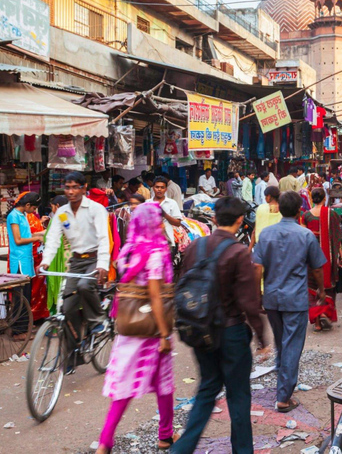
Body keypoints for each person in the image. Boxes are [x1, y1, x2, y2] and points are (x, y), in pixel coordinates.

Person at [172, 197, 270, 454]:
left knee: (207, 389)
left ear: (214, 218)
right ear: (240, 221)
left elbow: (183, 285)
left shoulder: (195, 246)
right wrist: (262, 339)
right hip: (231, 332)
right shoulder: (238, 252)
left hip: (199, 329)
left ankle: (181, 449)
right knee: (238, 396)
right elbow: (250, 302)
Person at [96, 203, 177, 454]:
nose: (162, 225)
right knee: (164, 386)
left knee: (123, 390)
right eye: (159, 220)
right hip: (152, 328)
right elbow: (154, 295)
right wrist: (164, 334)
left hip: (128, 327)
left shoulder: (129, 250)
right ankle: (164, 435)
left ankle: (105, 443)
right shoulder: (154, 252)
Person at [253, 191, 327, 413]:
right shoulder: (305, 235)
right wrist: (322, 290)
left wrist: (258, 294)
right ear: (299, 211)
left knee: (281, 342)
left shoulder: (265, 234)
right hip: (294, 298)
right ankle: (283, 397)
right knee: (292, 345)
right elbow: (316, 267)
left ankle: (282, 381)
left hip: (273, 297)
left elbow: (257, 266)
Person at [41, 171, 111, 371]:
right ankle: (73, 356)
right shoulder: (62, 213)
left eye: (75, 187)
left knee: (84, 285)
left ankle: (98, 319)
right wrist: (45, 261)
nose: (71, 192)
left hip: (94, 258)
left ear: (83, 188)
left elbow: (103, 238)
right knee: (67, 307)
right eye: (67, 187)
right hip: (76, 261)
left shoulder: (96, 209)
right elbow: (53, 238)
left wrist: (103, 265)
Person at [301, 188, 342, 332]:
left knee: (313, 289)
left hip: (310, 257)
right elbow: (337, 237)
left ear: (312, 199)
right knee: (328, 286)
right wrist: (340, 255)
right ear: (324, 199)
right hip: (327, 257)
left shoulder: (306, 215)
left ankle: (317, 323)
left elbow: (303, 237)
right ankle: (325, 312)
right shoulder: (331, 214)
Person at [7, 192, 45, 339]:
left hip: (26, 259)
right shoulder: (14, 216)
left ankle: (23, 326)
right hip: (19, 261)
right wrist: (37, 237)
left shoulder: (22, 216)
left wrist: (42, 234)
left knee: (26, 296)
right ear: (27, 205)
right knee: (21, 297)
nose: (34, 211)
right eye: (34, 208)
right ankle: (18, 331)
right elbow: (17, 240)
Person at [45, 195, 69, 315]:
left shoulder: (62, 216)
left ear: (58, 206)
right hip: (64, 255)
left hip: (61, 258)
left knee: (60, 287)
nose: (52, 209)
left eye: (52, 206)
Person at [148, 177, 183, 248]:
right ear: (153, 188)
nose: (159, 189)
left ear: (166, 189)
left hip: (167, 242)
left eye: (162, 187)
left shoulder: (172, 203)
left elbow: (178, 223)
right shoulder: (147, 203)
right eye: (157, 187)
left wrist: (164, 214)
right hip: (150, 241)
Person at [249, 185, 282, 251]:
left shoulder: (261, 208)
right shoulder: (282, 209)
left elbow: (254, 231)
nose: (265, 198)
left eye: (265, 196)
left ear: (269, 196)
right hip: (277, 246)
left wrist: (249, 249)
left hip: (261, 245)